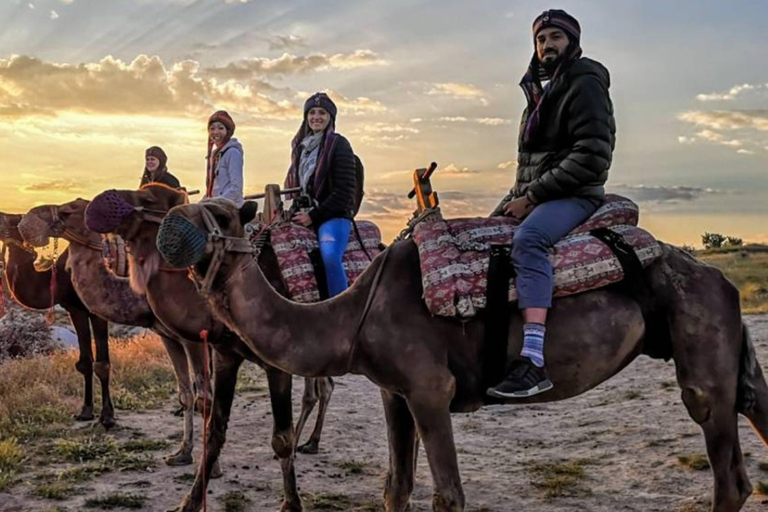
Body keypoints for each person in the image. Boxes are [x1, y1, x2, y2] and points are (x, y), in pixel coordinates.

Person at [486, 9, 616, 399]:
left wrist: (534, 197)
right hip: (541, 192)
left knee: (529, 241)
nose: (547, 46)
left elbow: (592, 154)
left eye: (555, 37)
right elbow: (530, 166)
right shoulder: (540, 95)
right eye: (541, 39)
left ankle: (533, 360)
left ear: (572, 42)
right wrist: (510, 201)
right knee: (483, 234)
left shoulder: (584, 83)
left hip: (575, 193)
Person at [284, 92, 357, 298]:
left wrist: (313, 216)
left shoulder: (339, 144)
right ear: (306, 117)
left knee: (331, 256)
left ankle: (341, 307)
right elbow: (300, 190)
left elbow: (344, 192)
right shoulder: (301, 149)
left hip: (332, 216)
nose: (317, 117)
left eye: (322, 113)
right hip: (305, 213)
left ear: (330, 117)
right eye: (312, 112)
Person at [205, 110, 244, 206]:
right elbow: (212, 190)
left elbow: (236, 188)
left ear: (228, 131)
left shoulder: (232, 153)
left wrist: (215, 203)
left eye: (220, 128)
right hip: (216, 205)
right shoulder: (215, 156)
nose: (216, 132)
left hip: (229, 207)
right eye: (212, 129)